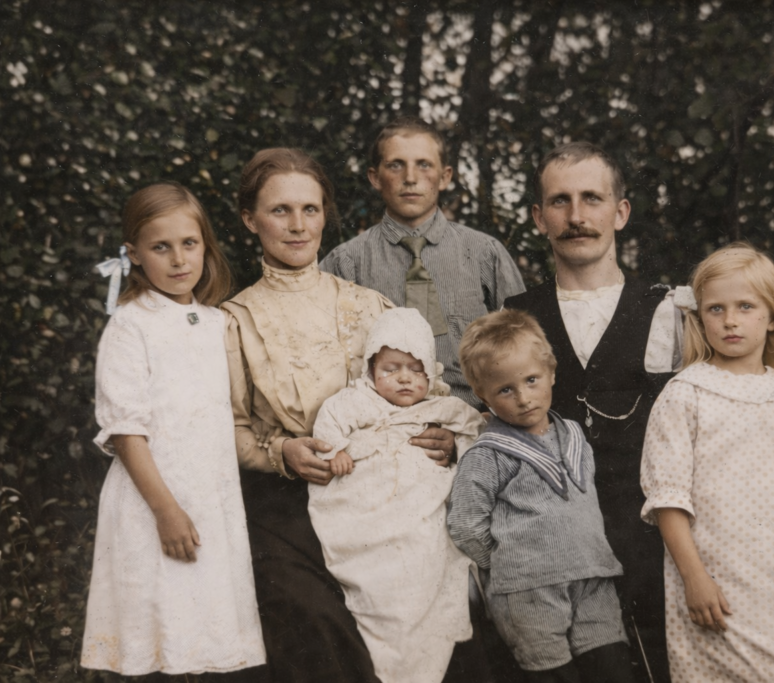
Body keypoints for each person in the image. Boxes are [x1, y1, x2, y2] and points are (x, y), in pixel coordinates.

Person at [221, 148, 456, 683]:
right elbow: (228, 428)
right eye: (280, 211)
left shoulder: (372, 306)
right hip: (287, 508)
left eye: (310, 208)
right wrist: (281, 452)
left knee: (435, 604)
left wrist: (444, 437)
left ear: (326, 213)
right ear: (249, 219)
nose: (299, 225)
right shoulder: (232, 322)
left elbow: (426, 395)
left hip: (387, 496)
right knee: (315, 618)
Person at [503, 141, 686, 681]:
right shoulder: (516, 317)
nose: (577, 217)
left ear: (620, 212)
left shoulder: (671, 310)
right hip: (556, 557)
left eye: (592, 199)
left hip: (654, 547)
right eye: (560, 202)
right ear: (539, 218)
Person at [640, 243, 774, 682]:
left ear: (772, 318)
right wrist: (695, 579)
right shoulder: (685, 394)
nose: (730, 320)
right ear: (699, 317)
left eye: (745, 306)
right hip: (718, 588)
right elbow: (668, 500)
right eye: (716, 308)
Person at [82, 183, 265, 676]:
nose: (178, 259)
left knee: (205, 639)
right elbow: (126, 431)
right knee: (158, 633)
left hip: (211, 497)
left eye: (189, 243)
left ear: (206, 245)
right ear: (134, 255)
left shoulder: (213, 323)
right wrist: (165, 510)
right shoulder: (130, 325)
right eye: (160, 247)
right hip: (156, 502)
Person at [449, 309, 635, 683]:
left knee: (613, 670)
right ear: (482, 394)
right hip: (528, 592)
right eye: (505, 389)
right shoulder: (490, 453)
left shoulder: (574, 435)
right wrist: (511, 561)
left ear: (551, 372)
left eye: (532, 380)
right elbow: (465, 524)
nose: (523, 398)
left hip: (592, 576)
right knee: (553, 677)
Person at [309, 307, 486, 683]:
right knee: (376, 575)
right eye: (391, 369)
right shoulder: (355, 401)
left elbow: (478, 433)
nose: (404, 379)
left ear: (431, 373)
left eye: (415, 369)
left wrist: (458, 444)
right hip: (366, 507)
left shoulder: (443, 407)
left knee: (426, 561)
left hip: (419, 508)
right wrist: (335, 451)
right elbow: (329, 423)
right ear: (372, 370)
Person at [320, 115, 526, 406]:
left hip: (475, 426)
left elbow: (525, 356)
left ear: (445, 177)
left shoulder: (484, 253)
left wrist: (488, 420)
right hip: (380, 431)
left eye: (424, 165)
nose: (410, 178)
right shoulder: (345, 263)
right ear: (375, 177)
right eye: (395, 165)